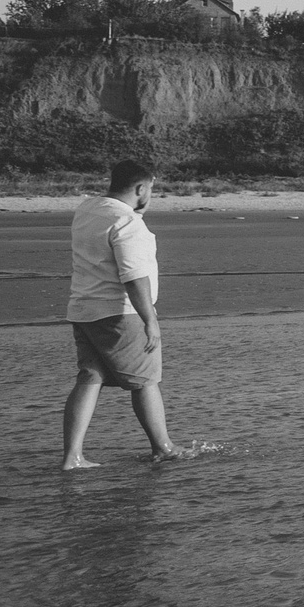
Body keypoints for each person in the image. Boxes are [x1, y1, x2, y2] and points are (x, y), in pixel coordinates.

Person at [61, 160, 197, 468]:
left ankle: (73, 456)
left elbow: (117, 227)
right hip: (119, 313)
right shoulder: (127, 224)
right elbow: (134, 278)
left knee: (90, 376)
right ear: (141, 188)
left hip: (83, 310)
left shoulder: (89, 210)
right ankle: (163, 447)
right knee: (146, 380)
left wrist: (137, 210)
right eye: (151, 189)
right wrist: (151, 321)